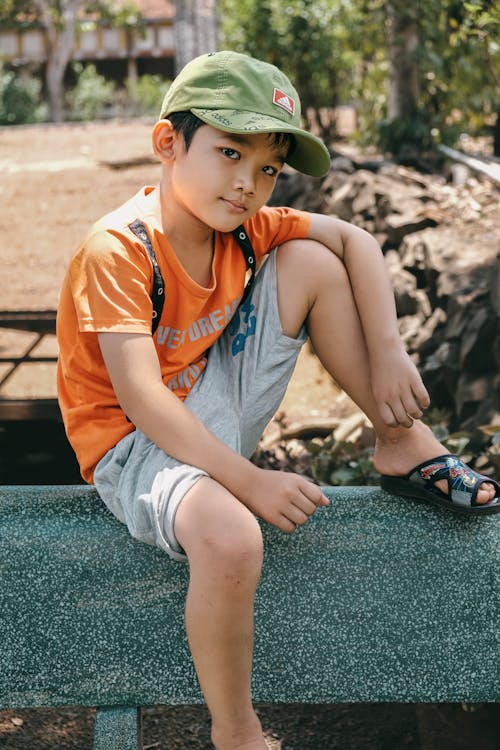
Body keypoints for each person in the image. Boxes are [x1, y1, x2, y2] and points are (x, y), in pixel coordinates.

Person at [57, 50, 499, 750]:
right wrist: (250, 480)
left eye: (266, 168)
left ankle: (401, 442)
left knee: (312, 259)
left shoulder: (245, 229)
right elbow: (141, 399)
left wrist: (388, 355)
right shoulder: (119, 248)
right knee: (234, 537)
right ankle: (236, 732)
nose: (247, 184)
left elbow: (354, 239)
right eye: (230, 152)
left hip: (207, 400)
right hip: (134, 442)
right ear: (169, 144)